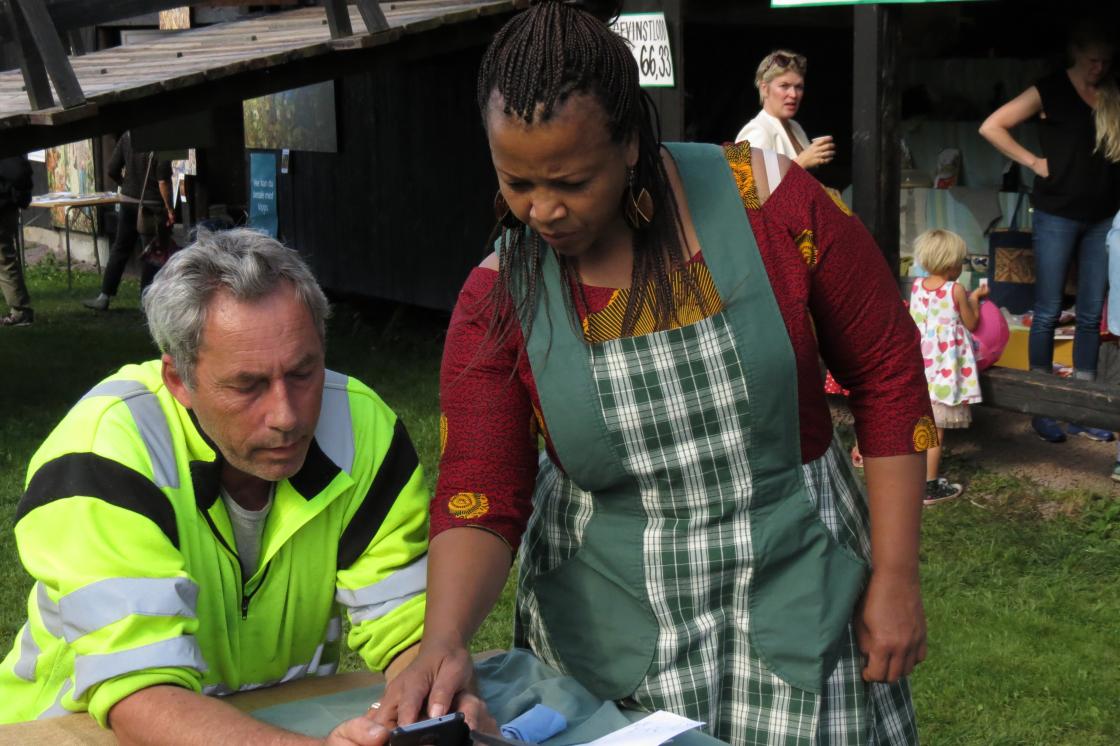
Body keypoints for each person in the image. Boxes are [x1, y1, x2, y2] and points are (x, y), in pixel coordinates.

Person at [376, 2, 932, 744]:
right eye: (516, 182)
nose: (543, 210)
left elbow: (889, 370)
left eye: (572, 180)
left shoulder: (769, 202)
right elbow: (481, 489)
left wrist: (896, 574)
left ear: (632, 143)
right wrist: (442, 639)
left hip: (801, 597)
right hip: (613, 637)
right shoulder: (498, 296)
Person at [0, 229, 428, 745]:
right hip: (63, 733)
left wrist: (432, 702)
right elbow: (139, 693)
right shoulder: (102, 452)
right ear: (179, 380)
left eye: (303, 372)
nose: (286, 416)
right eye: (247, 386)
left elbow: (408, 626)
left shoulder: (366, 430)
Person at [979, 21, 1120, 443]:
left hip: (1101, 216)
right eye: (1093, 59)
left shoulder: (1112, 93)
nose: (1099, 67)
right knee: (1047, 309)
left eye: (1105, 61)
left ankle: (1082, 405)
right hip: (1057, 212)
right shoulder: (1050, 88)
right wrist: (1034, 161)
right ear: (1075, 52)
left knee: (1091, 313)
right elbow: (992, 126)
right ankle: (1042, 405)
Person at [909, 230, 988, 505]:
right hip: (943, 370)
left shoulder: (917, 285)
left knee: (919, 424)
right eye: (961, 262)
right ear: (951, 264)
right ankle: (929, 486)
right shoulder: (955, 290)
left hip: (920, 366)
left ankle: (913, 478)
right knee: (935, 430)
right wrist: (975, 300)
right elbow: (972, 323)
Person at [83, 131, 175, 311]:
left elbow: (112, 169)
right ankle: (146, 301)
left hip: (127, 201)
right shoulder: (163, 141)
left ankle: (104, 296)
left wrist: (126, 184)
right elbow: (163, 181)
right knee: (152, 254)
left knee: (120, 248)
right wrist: (169, 208)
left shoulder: (127, 136)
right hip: (151, 206)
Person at [734, 49, 835, 171]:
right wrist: (801, 162)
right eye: (784, 86)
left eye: (799, 87)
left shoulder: (795, 127)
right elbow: (746, 188)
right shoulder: (755, 131)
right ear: (764, 89)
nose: (793, 94)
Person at [0, 154, 34, 327]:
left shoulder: (7, 149)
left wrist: (17, 198)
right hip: (6, 205)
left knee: (4, 258)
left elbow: (18, 173)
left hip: (3, 207)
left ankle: (21, 311)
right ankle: (20, 309)